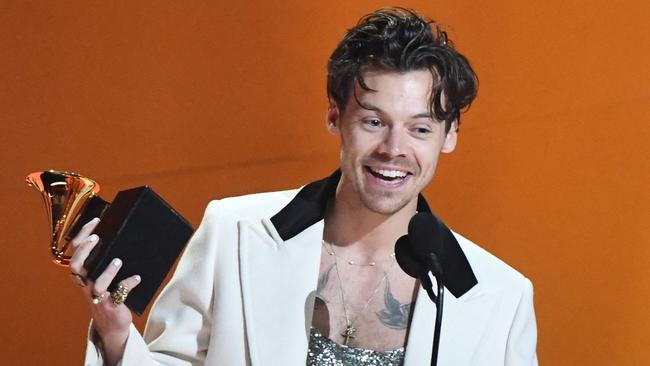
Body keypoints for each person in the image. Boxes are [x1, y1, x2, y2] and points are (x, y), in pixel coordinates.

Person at [70, 7, 538, 366]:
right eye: (374, 121)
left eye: (419, 128)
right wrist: (115, 335)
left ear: (449, 135)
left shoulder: (501, 297)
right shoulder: (233, 233)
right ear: (336, 115)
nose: (393, 148)